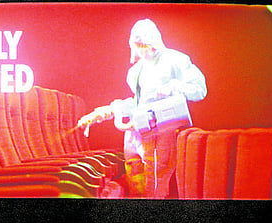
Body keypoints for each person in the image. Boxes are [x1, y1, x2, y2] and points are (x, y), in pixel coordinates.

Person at [78, 19, 207, 198]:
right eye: (138, 44)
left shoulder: (175, 60)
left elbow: (199, 89)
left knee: (155, 184)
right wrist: (107, 111)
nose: (141, 48)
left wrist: (173, 88)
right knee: (136, 182)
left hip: (161, 135)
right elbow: (138, 103)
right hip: (136, 134)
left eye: (143, 44)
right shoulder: (136, 71)